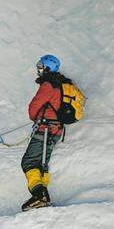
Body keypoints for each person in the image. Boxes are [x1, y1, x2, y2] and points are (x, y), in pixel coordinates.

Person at [22, 54, 78, 210]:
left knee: (28, 162)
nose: (38, 69)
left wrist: (35, 118)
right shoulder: (64, 84)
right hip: (57, 130)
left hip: (44, 129)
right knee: (42, 164)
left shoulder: (48, 84)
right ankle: (42, 198)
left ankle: (40, 196)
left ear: (47, 67)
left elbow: (34, 107)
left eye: (40, 66)